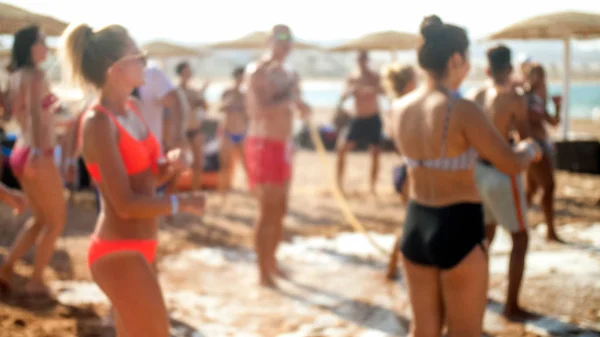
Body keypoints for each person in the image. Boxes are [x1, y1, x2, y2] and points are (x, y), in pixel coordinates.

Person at [390, 15, 541, 337]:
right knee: (465, 332)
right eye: (467, 57)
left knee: (422, 330)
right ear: (456, 59)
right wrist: (531, 149)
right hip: (456, 224)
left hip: (416, 223)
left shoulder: (400, 107)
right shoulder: (461, 109)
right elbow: (509, 162)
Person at [59, 22, 205, 337]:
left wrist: (169, 168)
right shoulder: (98, 122)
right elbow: (124, 204)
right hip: (117, 250)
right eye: (138, 56)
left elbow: (147, 178)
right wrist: (182, 203)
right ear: (115, 69)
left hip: (143, 246)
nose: (145, 62)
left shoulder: (134, 108)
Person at [0, 25, 67, 296]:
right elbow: (37, 118)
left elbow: (17, 113)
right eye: (42, 41)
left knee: (40, 219)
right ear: (30, 46)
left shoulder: (16, 75)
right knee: (56, 221)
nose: (46, 46)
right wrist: (40, 153)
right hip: (37, 153)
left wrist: (49, 110)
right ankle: (37, 279)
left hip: (21, 150)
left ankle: (7, 268)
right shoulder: (36, 75)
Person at [245, 24, 311, 287]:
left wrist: (301, 106)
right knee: (267, 208)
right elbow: (259, 110)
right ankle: (262, 272)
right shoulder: (258, 71)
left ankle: (272, 262)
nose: (286, 43)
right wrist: (289, 100)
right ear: (268, 40)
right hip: (264, 144)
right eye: (280, 38)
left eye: (290, 39)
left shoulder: (289, 73)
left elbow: (292, 106)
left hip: (284, 144)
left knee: (281, 209)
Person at [470, 45, 533, 319]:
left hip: (478, 172)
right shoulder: (513, 98)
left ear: (486, 68)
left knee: (487, 236)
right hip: (502, 171)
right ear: (509, 69)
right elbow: (525, 137)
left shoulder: (475, 95)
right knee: (520, 238)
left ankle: (477, 296)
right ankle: (511, 306)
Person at [378, 63, 417, 280]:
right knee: (410, 223)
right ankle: (395, 270)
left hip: (405, 169)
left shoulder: (396, 107)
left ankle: (392, 270)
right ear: (410, 83)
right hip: (411, 171)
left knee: (410, 221)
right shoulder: (407, 107)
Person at [336, 50, 386, 195]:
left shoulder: (375, 76)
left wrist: (371, 90)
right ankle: (339, 184)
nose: (362, 61)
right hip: (357, 117)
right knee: (342, 149)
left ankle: (372, 187)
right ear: (356, 60)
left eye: (364, 59)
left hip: (373, 117)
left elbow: (384, 91)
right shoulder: (352, 77)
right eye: (360, 59)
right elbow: (343, 96)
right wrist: (352, 90)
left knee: (376, 152)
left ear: (367, 60)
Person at [523, 63, 562, 242]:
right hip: (534, 147)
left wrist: (557, 106)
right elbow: (530, 119)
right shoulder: (525, 98)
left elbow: (553, 122)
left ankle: (517, 226)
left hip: (541, 146)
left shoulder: (537, 100)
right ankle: (550, 231)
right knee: (548, 186)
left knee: (531, 190)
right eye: (538, 75)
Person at [174, 61, 209, 190]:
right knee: (178, 164)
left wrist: (201, 100)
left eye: (189, 71)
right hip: (181, 132)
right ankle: (175, 191)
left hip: (195, 129)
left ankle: (195, 191)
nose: (188, 74)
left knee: (198, 163)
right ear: (180, 73)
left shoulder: (193, 91)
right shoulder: (175, 91)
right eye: (186, 71)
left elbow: (205, 107)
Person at [219, 66, 247, 197]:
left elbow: (250, 114)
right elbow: (220, 108)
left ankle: (251, 191)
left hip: (241, 132)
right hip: (228, 132)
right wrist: (230, 105)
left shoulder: (245, 94)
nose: (241, 79)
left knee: (246, 164)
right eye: (240, 76)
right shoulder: (228, 91)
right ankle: (223, 191)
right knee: (225, 164)